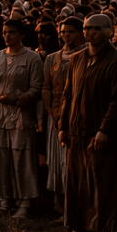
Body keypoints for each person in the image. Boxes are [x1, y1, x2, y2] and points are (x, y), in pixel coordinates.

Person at [60, 12, 117, 232]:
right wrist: (62, 125)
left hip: (100, 133)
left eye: (95, 28)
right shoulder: (77, 60)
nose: (89, 32)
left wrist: (105, 130)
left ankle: (107, 230)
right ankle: (79, 227)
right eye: (86, 28)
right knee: (77, 183)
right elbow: (68, 95)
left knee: (104, 184)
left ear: (109, 32)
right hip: (76, 130)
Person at [0, 17, 45, 219]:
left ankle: (24, 202)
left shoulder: (32, 58)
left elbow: (37, 86)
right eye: (4, 32)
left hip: (21, 113)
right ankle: (4, 200)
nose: (7, 36)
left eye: (11, 32)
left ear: (21, 35)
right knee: (1, 158)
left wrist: (22, 98)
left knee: (22, 158)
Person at [44, 17, 85, 213]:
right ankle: (58, 204)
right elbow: (46, 87)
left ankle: (75, 206)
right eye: (63, 32)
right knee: (56, 160)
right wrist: (52, 111)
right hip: (56, 114)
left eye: (70, 32)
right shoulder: (53, 58)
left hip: (76, 114)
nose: (66, 35)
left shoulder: (85, 55)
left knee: (71, 161)